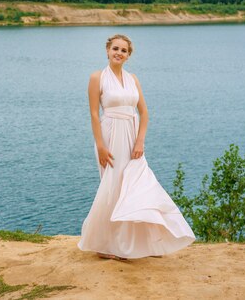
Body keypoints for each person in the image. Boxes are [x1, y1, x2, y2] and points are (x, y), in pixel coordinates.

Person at [77, 34, 196, 260]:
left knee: (137, 186)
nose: (118, 53)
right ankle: (106, 245)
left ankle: (139, 243)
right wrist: (101, 146)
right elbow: (94, 114)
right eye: (115, 49)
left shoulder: (133, 79)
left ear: (128, 55)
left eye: (123, 50)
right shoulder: (96, 78)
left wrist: (140, 141)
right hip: (110, 136)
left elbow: (144, 113)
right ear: (107, 50)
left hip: (132, 137)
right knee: (112, 189)